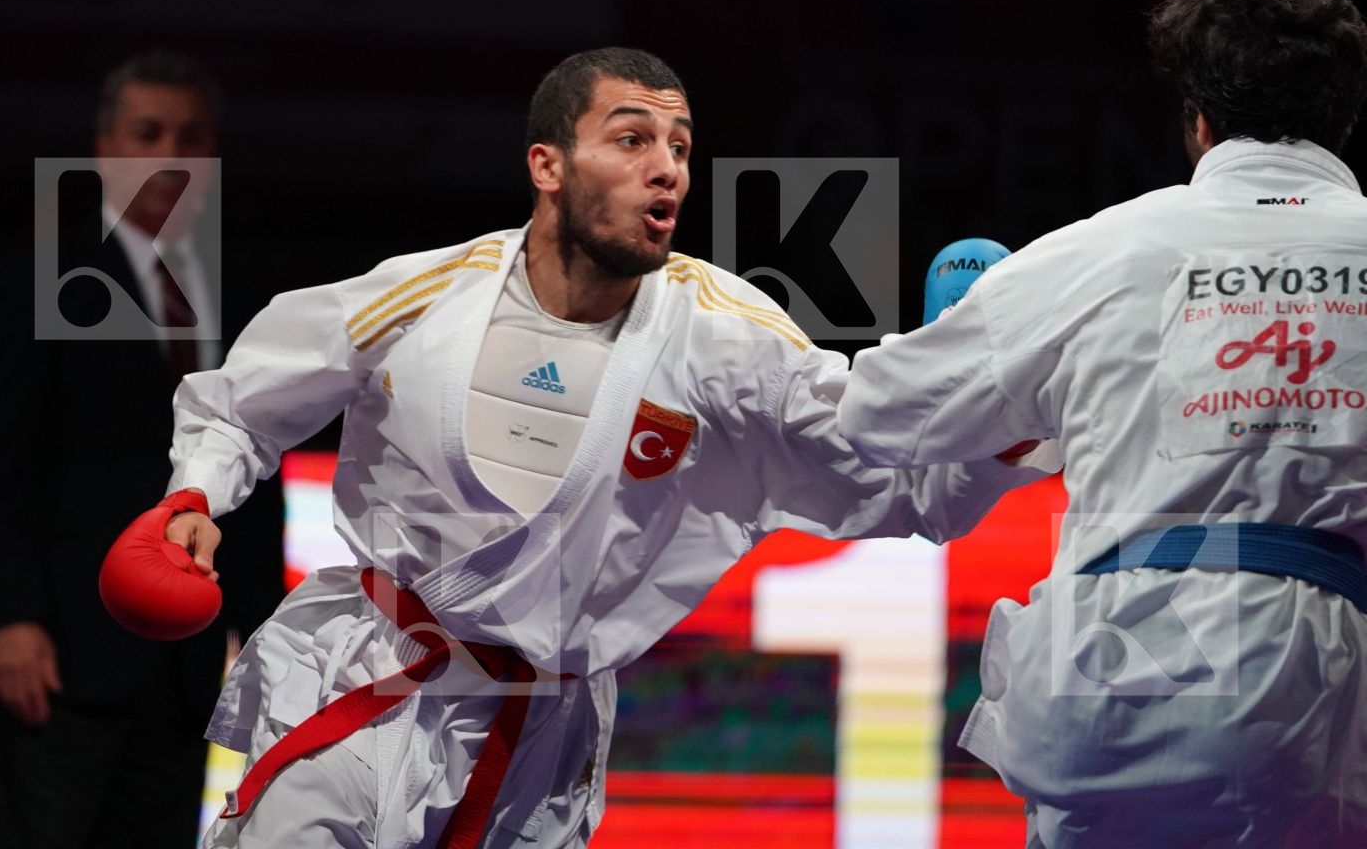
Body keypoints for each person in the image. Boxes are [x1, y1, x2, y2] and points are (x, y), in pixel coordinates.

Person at [119, 46, 1057, 848]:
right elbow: (243, 400)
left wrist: (993, 398)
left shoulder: (719, 337)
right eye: (633, 139)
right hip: (367, 675)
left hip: (540, 737)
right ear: (549, 165)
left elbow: (902, 478)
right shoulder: (423, 295)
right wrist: (194, 498)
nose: (669, 170)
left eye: (681, 149)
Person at [837, 0, 1367, 848]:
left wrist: (1028, 419)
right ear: (1344, 115)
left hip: (1115, 674)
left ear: (1197, 117)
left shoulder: (1101, 250)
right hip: (1328, 696)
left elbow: (879, 411)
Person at [0, 49, 284, 848]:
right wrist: (10, 618)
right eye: (149, 131)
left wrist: (262, 632)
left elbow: (256, 478)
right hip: (59, 656)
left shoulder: (247, 297)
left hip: (184, 669)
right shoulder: (41, 278)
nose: (170, 152)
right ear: (104, 149)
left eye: (190, 135)